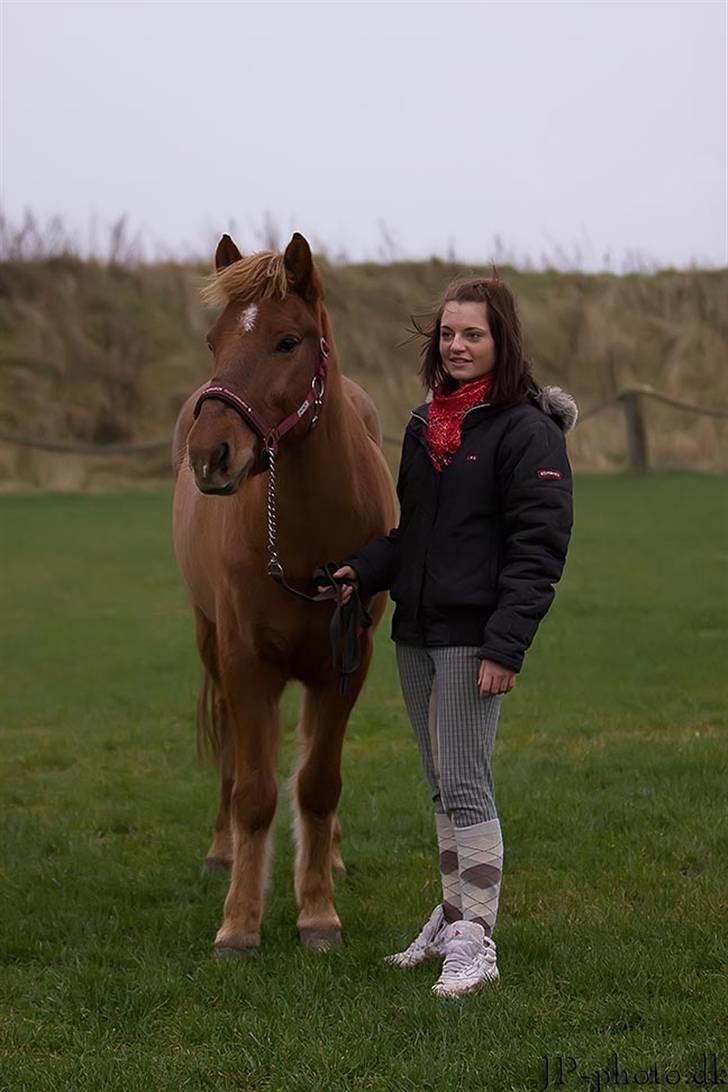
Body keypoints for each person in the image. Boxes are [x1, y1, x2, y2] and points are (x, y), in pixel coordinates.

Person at [320, 275, 576, 998]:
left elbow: (539, 547)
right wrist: (361, 571)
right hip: (417, 633)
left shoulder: (528, 431)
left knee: (466, 781)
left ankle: (478, 940)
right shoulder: (424, 422)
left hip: (475, 637)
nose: (457, 346)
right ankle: (455, 914)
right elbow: (416, 536)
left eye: (474, 334)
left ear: (503, 342)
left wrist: (506, 646)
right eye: (449, 334)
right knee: (440, 783)